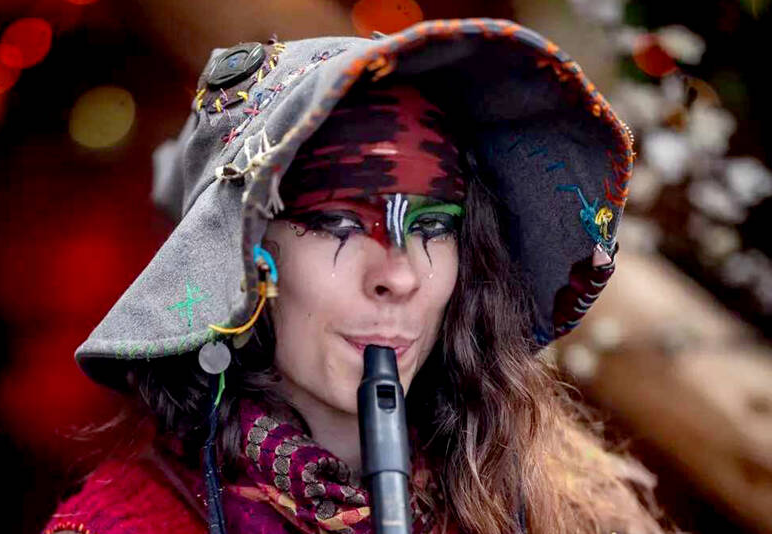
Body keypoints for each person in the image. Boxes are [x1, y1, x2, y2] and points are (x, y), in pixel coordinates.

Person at [42, 18, 677, 534]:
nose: (398, 275)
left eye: (433, 226)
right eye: (339, 222)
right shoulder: (122, 525)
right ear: (246, 255)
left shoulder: (565, 508)